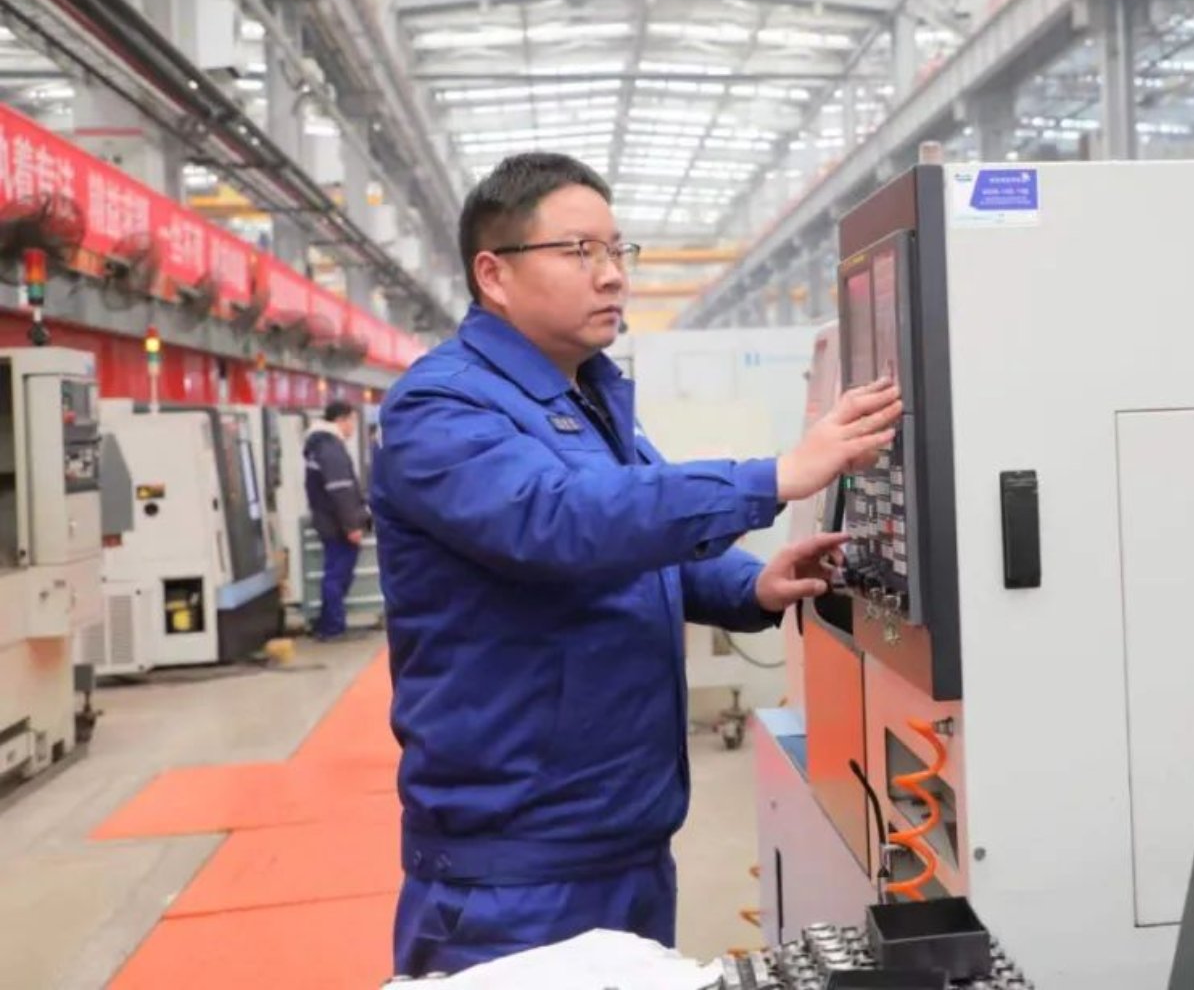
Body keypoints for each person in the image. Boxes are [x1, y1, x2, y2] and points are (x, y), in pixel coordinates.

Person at [371, 152, 902, 978]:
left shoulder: (587, 398)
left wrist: (752, 586)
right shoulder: (440, 406)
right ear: (493, 273)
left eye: (619, 250)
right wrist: (774, 476)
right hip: (514, 863)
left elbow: (636, 553)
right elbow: (560, 523)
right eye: (580, 251)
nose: (613, 274)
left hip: (625, 835)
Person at [303, 399, 369, 640]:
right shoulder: (330, 447)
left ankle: (326, 623)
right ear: (341, 420)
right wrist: (352, 526)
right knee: (337, 575)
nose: (353, 427)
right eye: (352, 421)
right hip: (336, 524)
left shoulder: (322, 444)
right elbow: (340, 489)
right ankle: (332, 627)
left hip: (330, 521)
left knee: (335, 573)